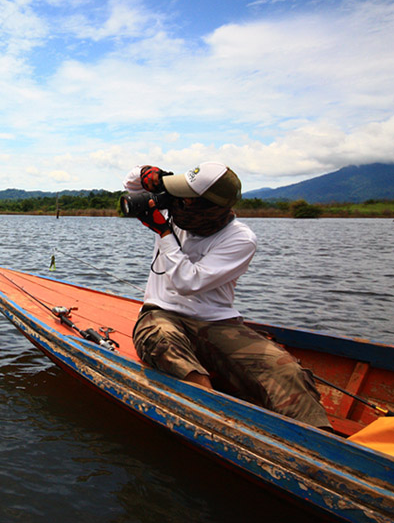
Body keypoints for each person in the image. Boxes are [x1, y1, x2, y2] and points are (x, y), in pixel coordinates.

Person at [125, 162, 331, 430]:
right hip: (161, 314)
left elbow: (187, 282)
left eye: (184, 196)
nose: (176, 201)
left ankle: (321, 441)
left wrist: (164, 233)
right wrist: (150, 175)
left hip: (217, 323)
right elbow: (130, 184)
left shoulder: (240, 239)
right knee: (163, 341)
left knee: (286, 370)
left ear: (205, 206)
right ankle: (212, 415)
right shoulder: (174, 210)